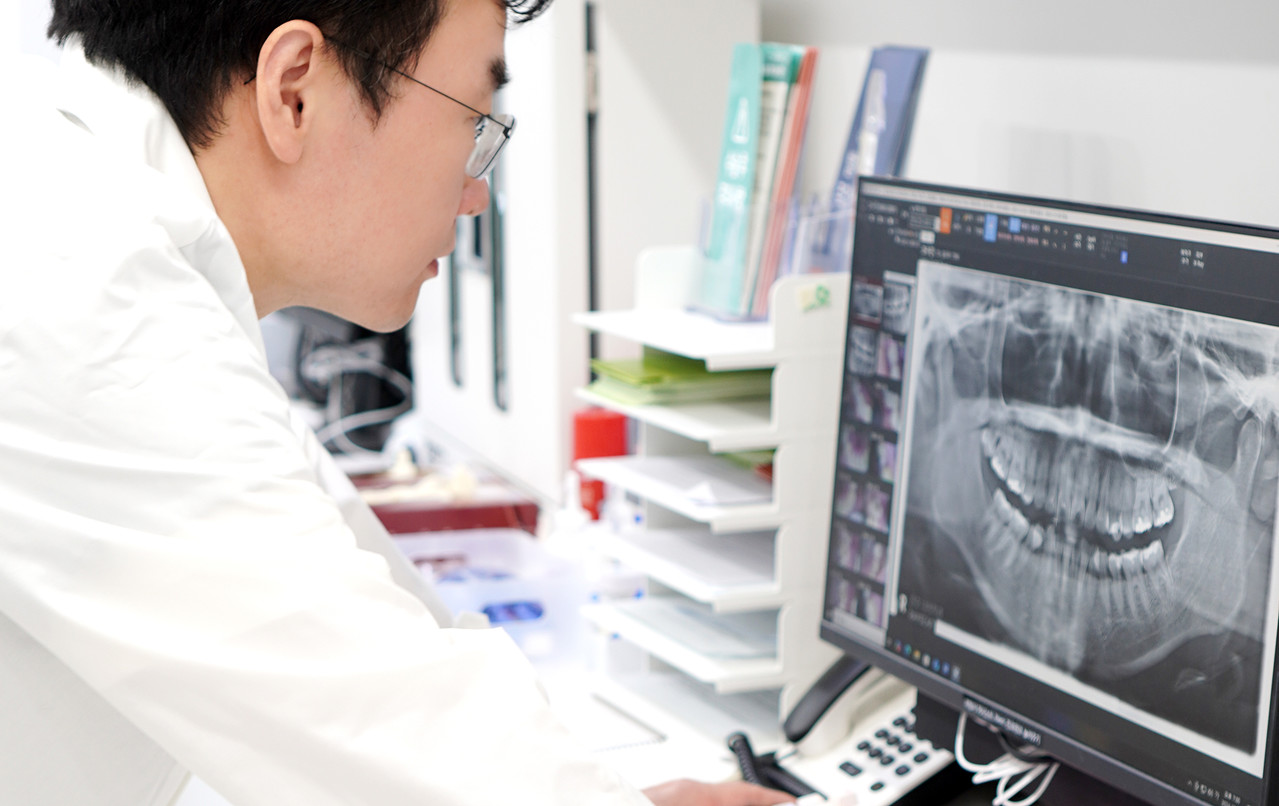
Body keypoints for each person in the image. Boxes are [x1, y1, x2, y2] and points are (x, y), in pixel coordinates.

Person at [0, 1, 799, 804]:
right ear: (294, 92)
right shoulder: (81, 289)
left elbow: (387, 638)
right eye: (474, 120)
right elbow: (372, 713)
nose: (475, 193)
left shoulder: (108, 232)